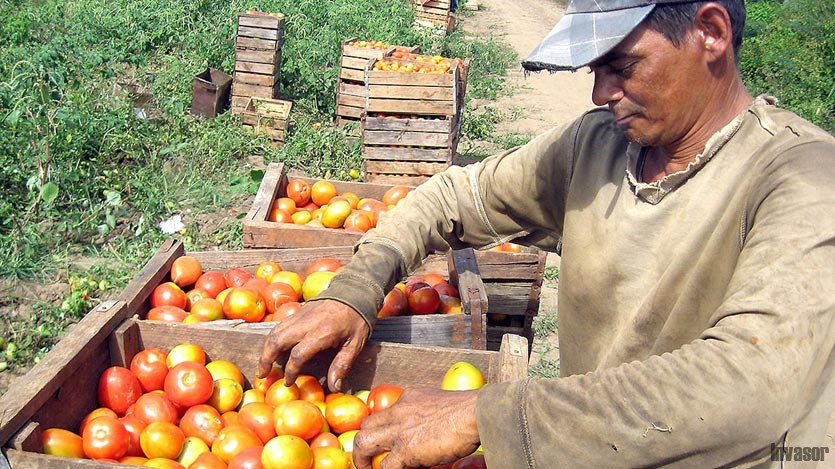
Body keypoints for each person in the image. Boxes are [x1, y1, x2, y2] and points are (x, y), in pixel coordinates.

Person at [259, 0, 835, 467]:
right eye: (595, 70)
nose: (601, 93)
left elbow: (752, 385)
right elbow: (454, 195)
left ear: (711, 32)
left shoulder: (801, 177)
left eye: (623, 65)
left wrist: (490, 416)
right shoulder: (597, 147)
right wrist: (356, 288)